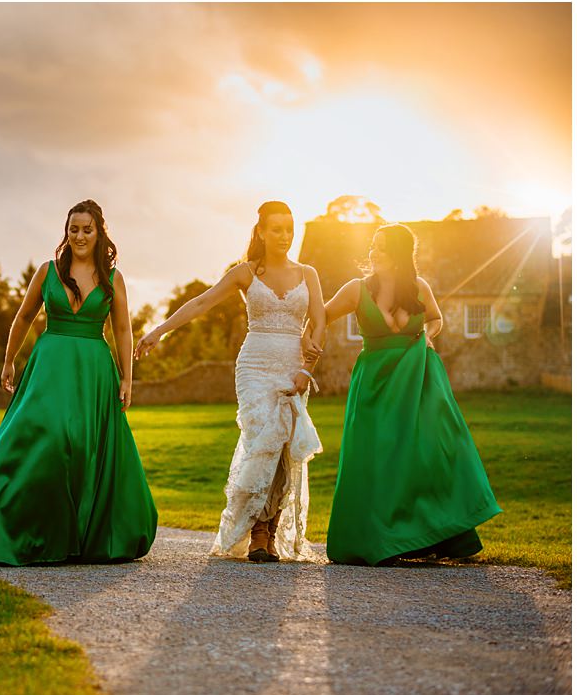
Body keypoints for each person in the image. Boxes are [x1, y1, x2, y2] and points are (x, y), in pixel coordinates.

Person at [0, 199, 157, 565]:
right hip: (48, 369)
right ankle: (17, 526)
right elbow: (24, 316)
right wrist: (9, 361)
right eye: (73, 229)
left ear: (99, 232)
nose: (79, 236)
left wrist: (127, 378)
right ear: (66, 232)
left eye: (86, 230)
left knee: (84, 446)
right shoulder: (47, 272)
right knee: (40, 440)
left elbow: (123, 329)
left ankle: (84, 538)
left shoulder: (113, 277)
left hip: (93, 370)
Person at [136, 201, 326, 562]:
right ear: (261, 232)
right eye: (276, 229)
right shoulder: (245, 272)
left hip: (292, 367)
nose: (284, 235)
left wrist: (307, 369)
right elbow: (202, 302)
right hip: (253, 367)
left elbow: (319, 324)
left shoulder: (309, 274)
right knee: (261, 441)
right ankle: (256, 531)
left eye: (289, 228)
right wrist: (160, 330)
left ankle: (271, 532)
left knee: (285, 449)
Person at [307, 223, 502, 565]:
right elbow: (320, 315)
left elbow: (436, 320)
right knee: (375, 457)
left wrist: (427, 335)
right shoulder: (356, 289)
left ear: (398, 256)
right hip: (374, 385)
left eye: (381, 247)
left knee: (427, 454)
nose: (373, 252)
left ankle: (433, 535)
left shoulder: (419, 287)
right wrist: (305, 343)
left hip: (416, 382)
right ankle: (373, 539)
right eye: (373, 245)